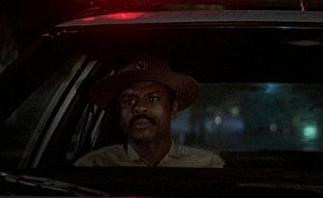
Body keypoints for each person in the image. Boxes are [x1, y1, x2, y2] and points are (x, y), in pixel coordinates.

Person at [74, 54, 224, 168]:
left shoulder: (207, 165)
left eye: (153, 98)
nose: (140, 107)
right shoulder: (93, 165)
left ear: (173, 108)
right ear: (119, 112)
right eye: (129, 101)